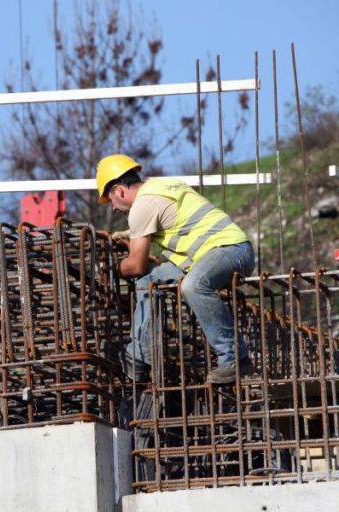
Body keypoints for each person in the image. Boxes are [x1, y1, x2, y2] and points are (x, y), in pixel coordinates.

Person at [96, 154, 255, 385]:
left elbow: (136, 265)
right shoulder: (161, 185)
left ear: (119, 190)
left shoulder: (142, 206)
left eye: (110, 200)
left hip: (231, 250)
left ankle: (234, 358)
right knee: (148, 283)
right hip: (209, 255)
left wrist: (110, 269)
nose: (113, 208)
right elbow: (172, 220)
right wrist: (133, 234)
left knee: (194, 285)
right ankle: (139, 355)